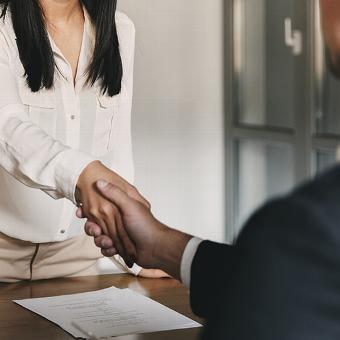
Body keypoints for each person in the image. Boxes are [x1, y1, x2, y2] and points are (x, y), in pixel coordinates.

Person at [0, 0, 165, 282]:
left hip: (77, 259)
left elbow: (118, 151)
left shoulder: (119, 29)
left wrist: (133, 250)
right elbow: (6, 127)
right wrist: (82, 173)